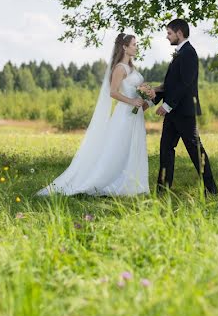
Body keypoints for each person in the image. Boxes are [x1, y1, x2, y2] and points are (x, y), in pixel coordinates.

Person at [37, 33, 155, 196]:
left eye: (136, 44)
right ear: (124, 47)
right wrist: (132, 101)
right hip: (124, 115)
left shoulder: (132, 68)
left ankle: (133, 183)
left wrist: (148, 95)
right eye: (134, 44)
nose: (136, 47)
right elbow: (113, 93)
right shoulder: (120, 68)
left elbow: (138, 90)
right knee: (119, 149)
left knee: (133, 147)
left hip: (136, 116)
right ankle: (107, 181)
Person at [152, 19, 218, 196]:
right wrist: (151, 100)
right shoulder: (179, 54)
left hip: (184, 113)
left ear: (179, 33)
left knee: (196, 152)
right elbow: (169, 85)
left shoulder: (189, 53)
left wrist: (167, 106)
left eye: (169, 33)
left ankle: (211, 190)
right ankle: (162, 190)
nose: (167, 37)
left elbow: (184, 84)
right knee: (166, 149)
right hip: (173, 113)